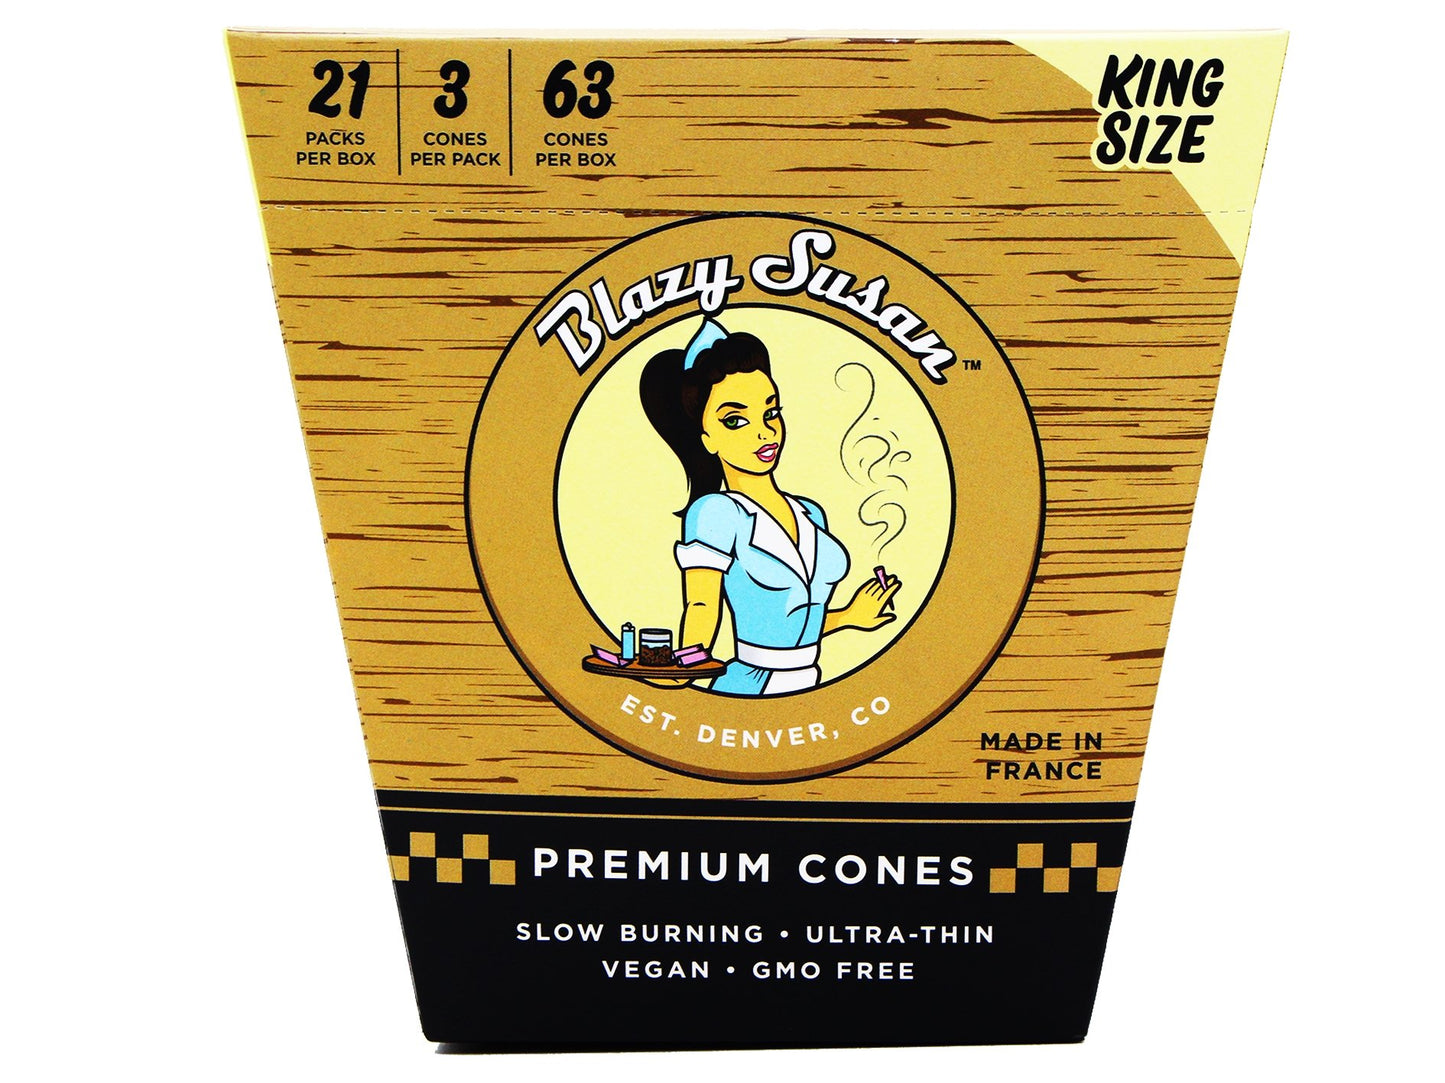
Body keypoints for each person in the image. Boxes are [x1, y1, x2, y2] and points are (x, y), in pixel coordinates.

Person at [639, 317, 900, 695]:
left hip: (809, 681)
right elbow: (701, 607)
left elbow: (790, 621)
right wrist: (678, 670)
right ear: (706, 438)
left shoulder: (811, 513)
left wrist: (850, 616)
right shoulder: (716, 513)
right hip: (750, 685)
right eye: (735, 420)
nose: (764, 432)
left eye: (771, 412)